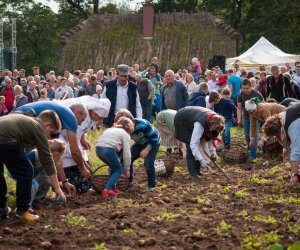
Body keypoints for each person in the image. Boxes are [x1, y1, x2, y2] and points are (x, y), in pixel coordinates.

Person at [0, 111, 67, 221]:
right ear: (47, 125)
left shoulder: (26, 121)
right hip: (6, 138)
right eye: (51, 133)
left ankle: (2, 208)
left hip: (4, 135)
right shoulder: (38, 126)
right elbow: (47, 159)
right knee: (26, 172)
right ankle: (22, 211)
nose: (49, 137)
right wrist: (58, 189)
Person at [17, 101, 90, 193]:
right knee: (39, 163)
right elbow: (74, 150)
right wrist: (83, 168)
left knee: (42, 162)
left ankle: (32, 194)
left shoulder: (57, 123)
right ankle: (30, 196)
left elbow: (56, 156)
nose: (79, 124)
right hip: (21, 123)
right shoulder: (70, 117)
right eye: (82, 120)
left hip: (18, 117)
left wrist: (65, 181)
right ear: (78, 113)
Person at [57, 96, 111, 194]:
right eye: (99, 116)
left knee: (86, 170)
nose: (99, 119)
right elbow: (74, 148)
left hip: (73, 142)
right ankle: (63, 185)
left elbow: (81, 133)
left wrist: (83, 139)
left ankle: (82, 185)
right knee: (68, 162)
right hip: (64, 140)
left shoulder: (88, 116)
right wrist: (83, 166)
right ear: (94, 112)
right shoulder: (81, 116)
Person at [114, 109, 160, 190]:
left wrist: (147, 149)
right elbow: (121, 146)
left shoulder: (142, 125)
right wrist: (117, 159)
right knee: (127, 158)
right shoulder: (124, 130)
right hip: (140, 143)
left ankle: (151, 186)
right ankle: (129, 181)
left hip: (153, 142)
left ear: (130, 120)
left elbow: (154, 137)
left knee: (148, 163)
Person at [174, 106, 225, 180]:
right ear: (211, 123)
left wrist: (213, 151)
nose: (213, 129)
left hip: (193, 116)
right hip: (183, 120)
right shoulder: (200, 124)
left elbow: (213, 137)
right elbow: (193, 144)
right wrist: (201, 160)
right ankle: (192, 173)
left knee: (199, 143)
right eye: (213, 127)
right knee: (190, 146)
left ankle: (197, 171)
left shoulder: (218, 123)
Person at [262, 103, 300, 185]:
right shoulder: (281, 118)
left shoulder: (293, 125)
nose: (277, 138)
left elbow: (296, 151)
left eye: (276, 135)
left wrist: (294, 175)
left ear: (279, 131)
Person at [96, 117, 134, 198]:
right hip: (108, 149)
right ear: (129, 127)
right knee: (118, 169)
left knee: (114, 167)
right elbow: (127, 152)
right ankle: (106, 190)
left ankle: (113, 188)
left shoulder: (109, 129)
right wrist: (127, 168)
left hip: (98, 149)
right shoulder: (125, 134)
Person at [237, 78, 265, 160]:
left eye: (247, 88)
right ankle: (251, 149)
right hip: (246, 117)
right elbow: (239, 108)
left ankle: (253, 154)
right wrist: (239, 119)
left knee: (253, 134)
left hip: (255, 117)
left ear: (251, 86)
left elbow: (264, 105)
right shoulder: (241, 95)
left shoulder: (256, 94)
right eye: (243, 88)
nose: (245, 90)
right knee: (246, 135)